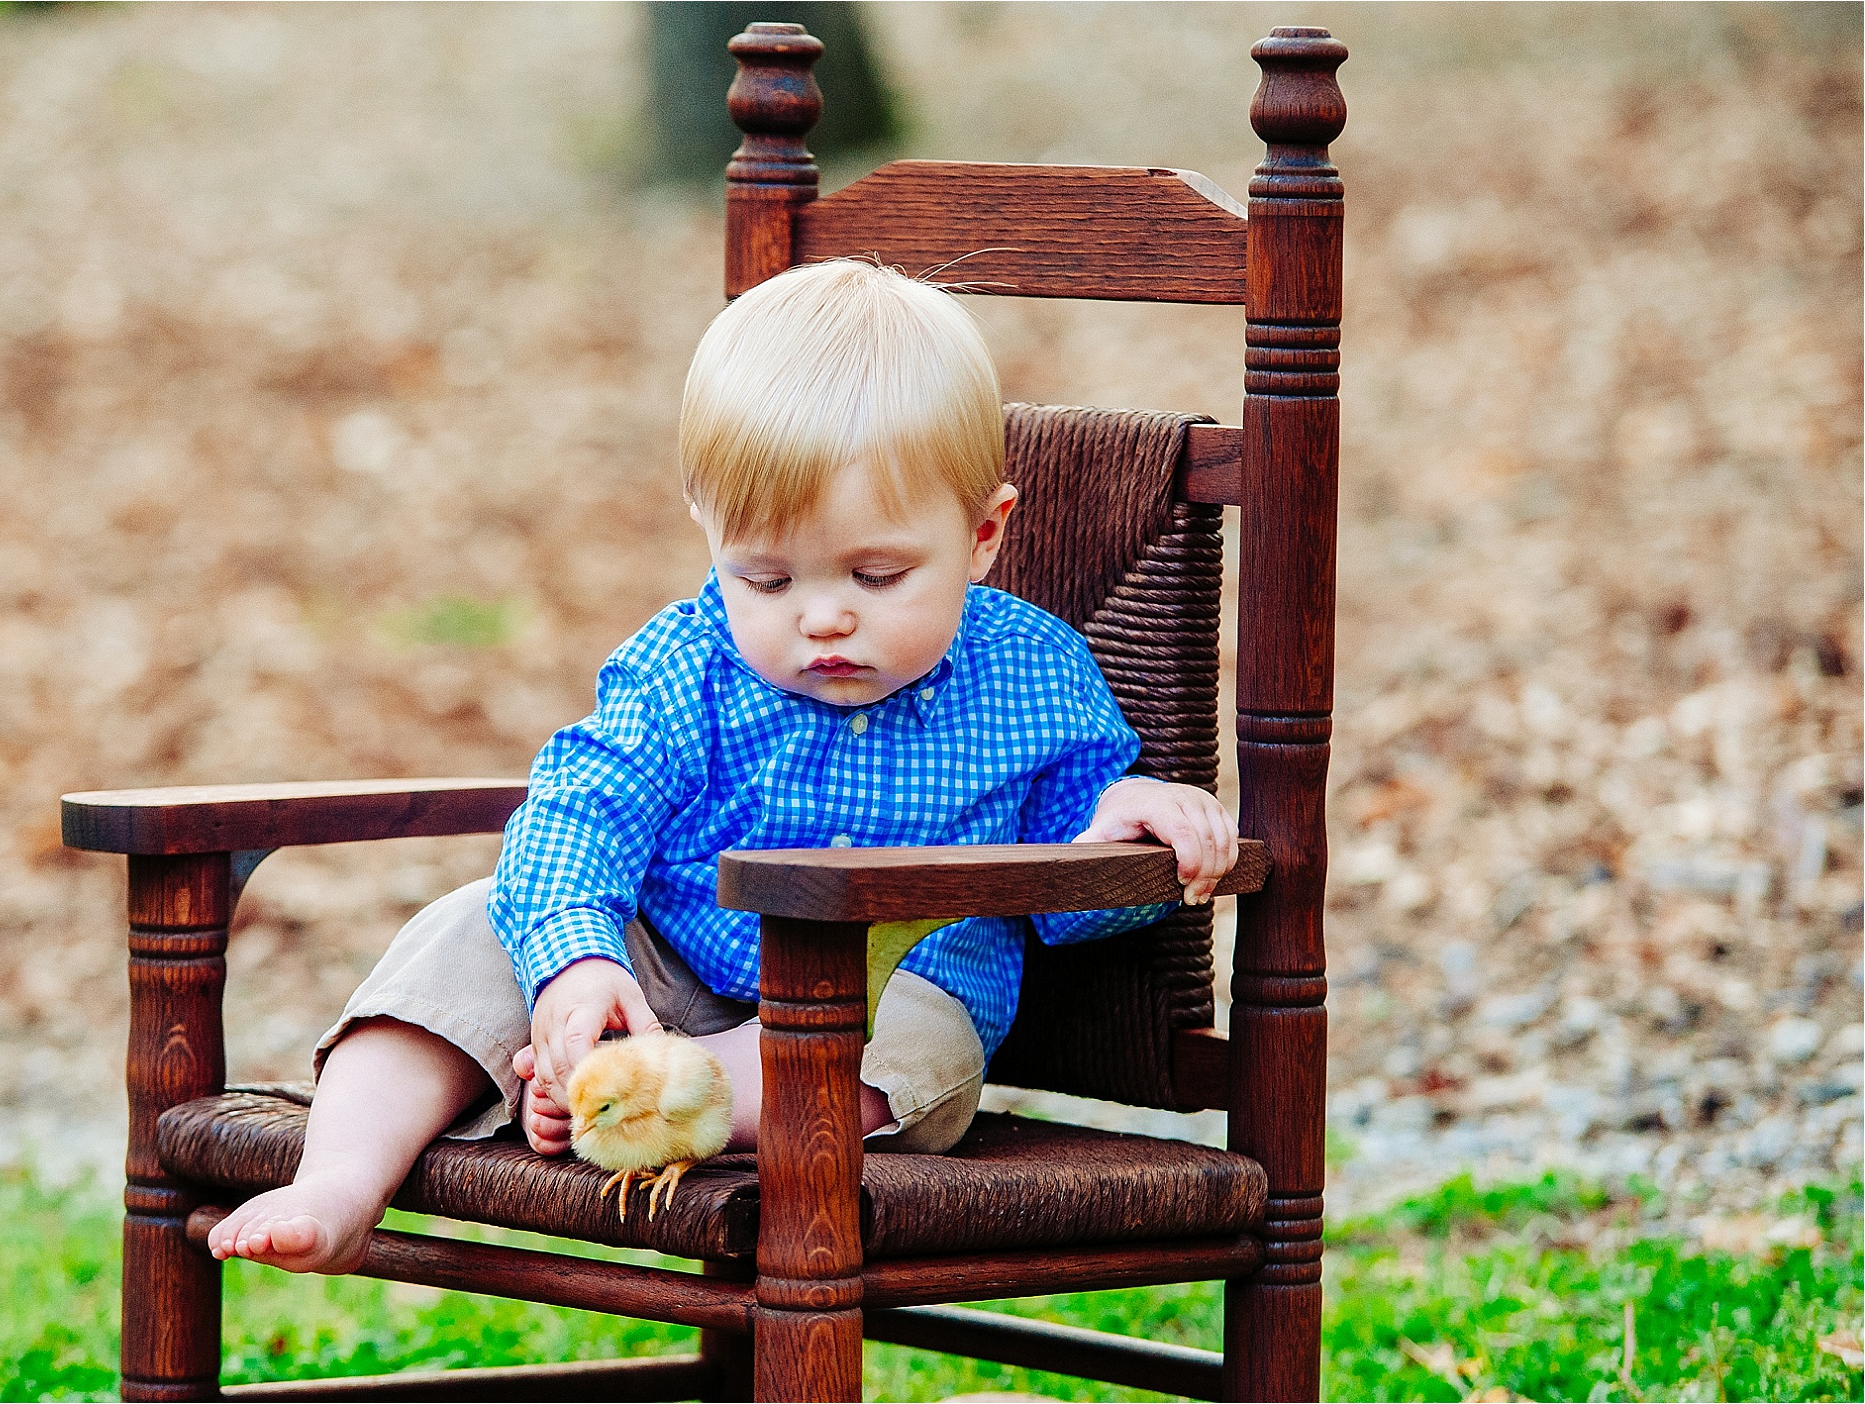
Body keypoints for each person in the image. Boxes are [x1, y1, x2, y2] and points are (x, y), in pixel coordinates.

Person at [206, 258, 1240, 1274]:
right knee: (469, 927)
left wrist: (1130, 820)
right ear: (712, 539)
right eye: (765, 574)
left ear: (982, 535)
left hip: (884, 994)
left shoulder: (1036, 674)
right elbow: (577, 811)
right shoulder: (683, 664)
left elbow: (1077, 885)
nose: (823, 613)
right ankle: (341, 1181)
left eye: (878, 574)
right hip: (672, 974)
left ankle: (640, 1099)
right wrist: (577, 964)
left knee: (909, 1050)